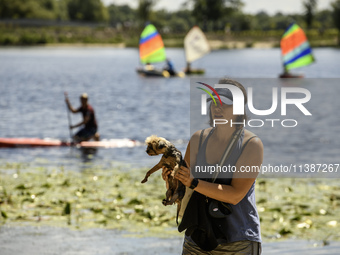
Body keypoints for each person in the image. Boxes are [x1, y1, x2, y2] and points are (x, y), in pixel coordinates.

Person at [162, 78, 263, 254]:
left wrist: (194, 182)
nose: (218, 108)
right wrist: (171, 180)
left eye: (225, 104)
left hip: (237, 241)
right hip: (197, 237)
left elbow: (235, 195)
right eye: (214, 102)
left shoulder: (251, 144)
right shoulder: (197, 139)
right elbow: (182, 192)